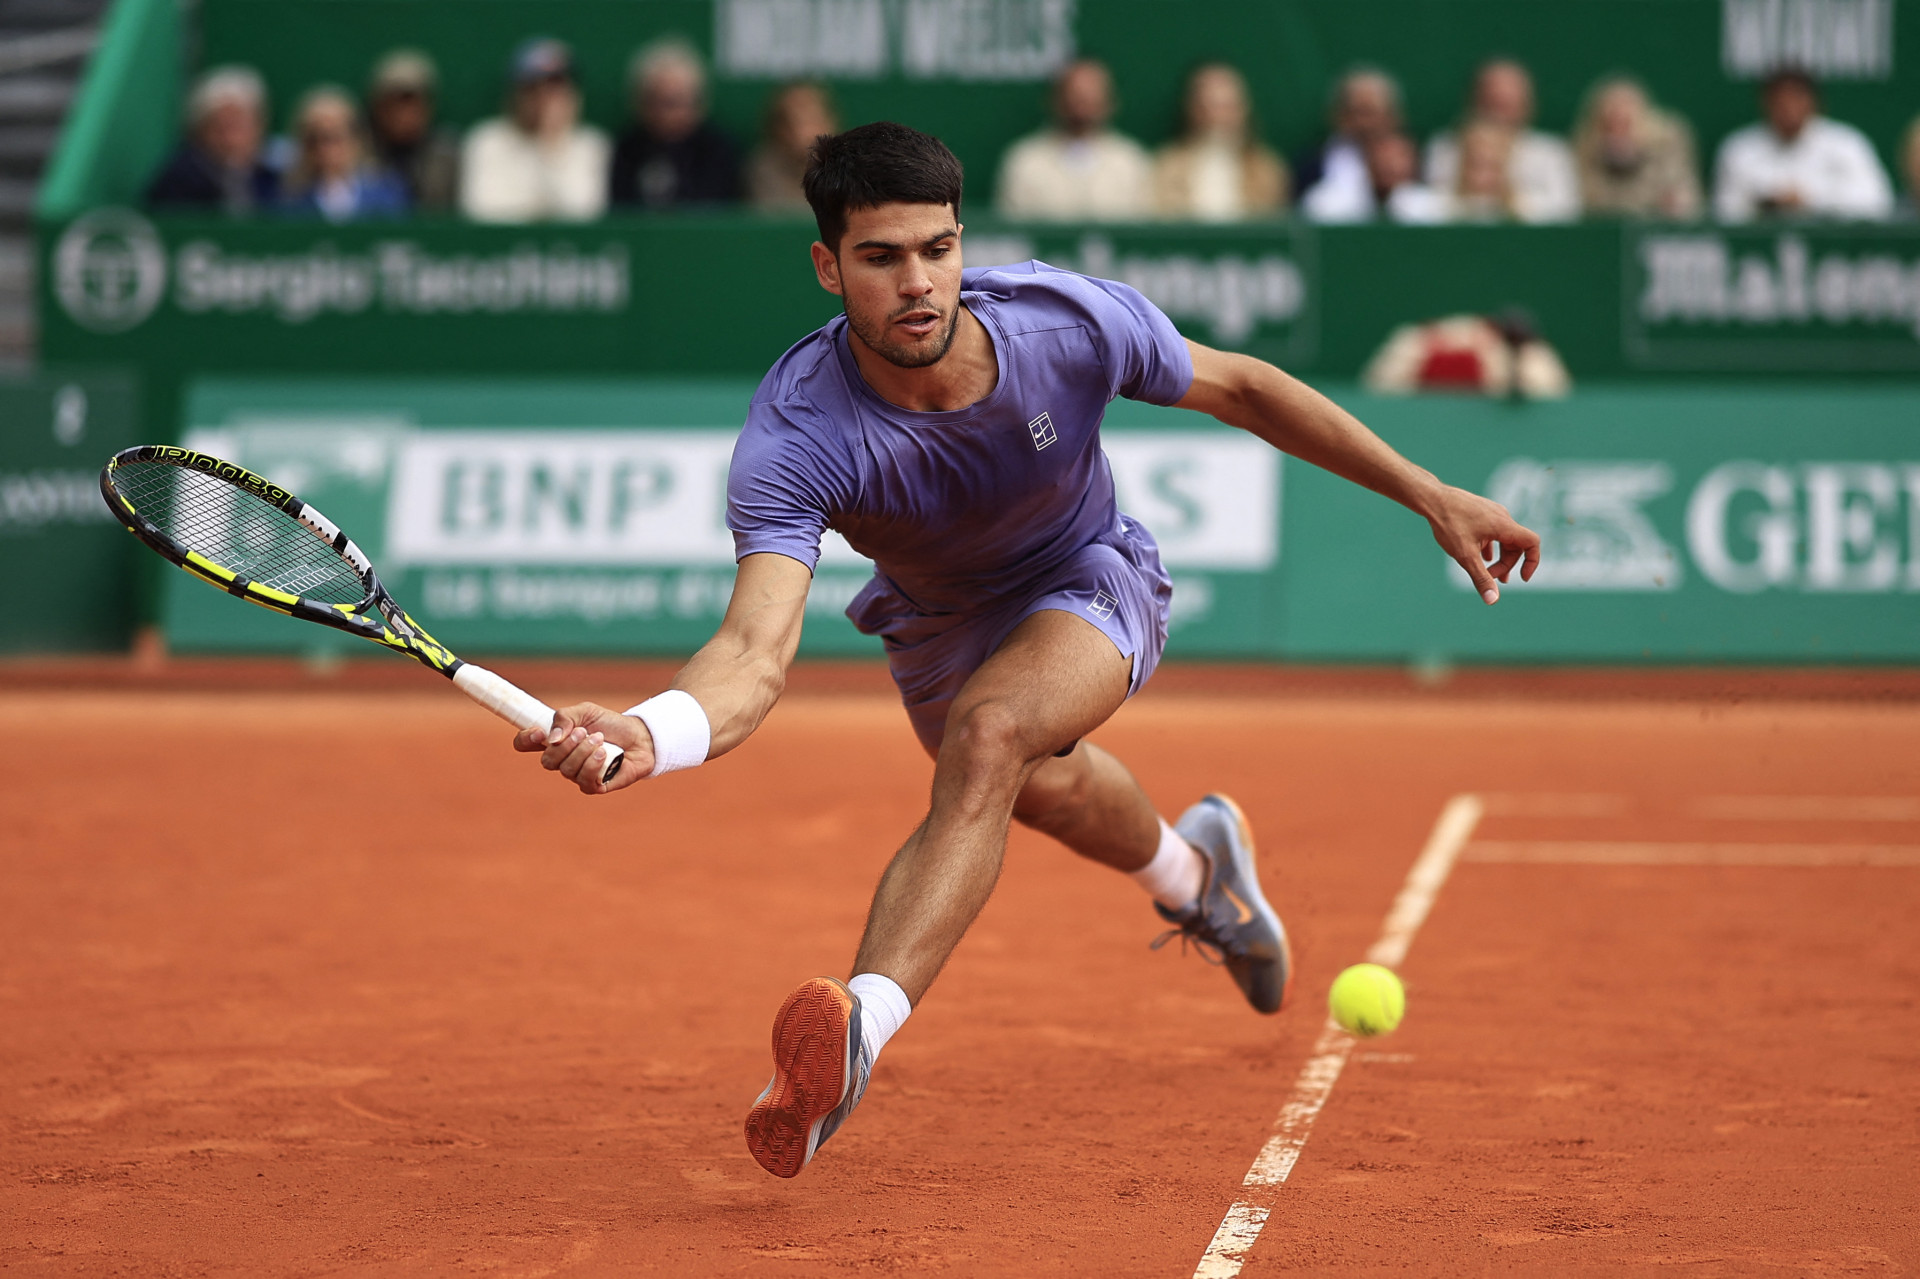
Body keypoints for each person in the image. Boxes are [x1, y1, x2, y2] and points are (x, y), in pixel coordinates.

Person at [509, 122, 1540, 1179]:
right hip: (937, 626)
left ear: (962, 241)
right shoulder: (797, 429)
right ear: (828, 265)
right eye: (880, 257)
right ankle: (1199, 877)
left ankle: (856, 1030)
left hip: (1090, 575)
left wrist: (1428, 492)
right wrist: (652, 729)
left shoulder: (1063, 320)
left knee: (993, 736)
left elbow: (1244, 389)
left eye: (937, 248)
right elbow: (753, 651)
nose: (917, 283)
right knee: (1038, 786)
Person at [1712, 68, 1895, 222]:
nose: (1789, 108)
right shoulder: (1738, 149)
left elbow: (1876, 202)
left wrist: (1810, 201)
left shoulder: (1847, 144)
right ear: (1765, 103)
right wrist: (1770, 205)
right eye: (1780, 101)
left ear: (1815, 101)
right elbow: (1725, 211)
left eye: (1797, 98)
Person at [459, 37, 609, 223]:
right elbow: (481, 214)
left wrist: (550, 146)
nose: (544, 98)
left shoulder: (591, 145)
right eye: (532, 88)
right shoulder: (486, 141)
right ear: (514, 94)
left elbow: (582, 216)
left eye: (555, 87)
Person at [994, 59, 1153, 220]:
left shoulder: (1131, 161)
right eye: (1074, 94)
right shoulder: (1024, 161)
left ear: (1110, 101)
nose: (1081, 103)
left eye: (1090, 94)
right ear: (1055, 99)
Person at [1425, 59, 1580, 223]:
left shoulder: (1551, 151)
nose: (1500, 115)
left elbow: (1566, 208)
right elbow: (1436, 204)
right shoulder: (1444, 147)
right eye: (1493, 103)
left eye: (1508, 104)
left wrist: (1513, 203)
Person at [610, 37, 742, 208]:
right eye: (656, 101)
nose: (666, 114)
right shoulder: (624, 149)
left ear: (699, 103)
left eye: (676, 102)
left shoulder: (719, 151)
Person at [1152, 62, 1288, 221]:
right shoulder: (1166, 167)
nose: (1216, 117)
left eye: (1226, 107)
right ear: (1191, 110)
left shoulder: (1268, 171)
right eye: (1207, 107)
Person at [145, 65, 279, 213]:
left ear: (259, 126)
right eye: (220, 128)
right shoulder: (178, 181)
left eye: (238, 126)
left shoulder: (272, 176)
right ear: (199, 131)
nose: (229, 140)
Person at [1572, 77, 1702, 219]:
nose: (1617, 133)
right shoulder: (1585, 152)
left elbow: (1684, 199)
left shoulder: (1668, 143)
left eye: (1625, 124)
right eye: (1610, 125)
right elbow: (1589, 203)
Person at [278, 86, 409, 221]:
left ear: (355, 139)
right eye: (314, 140)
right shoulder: (289, 199)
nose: (325, 149)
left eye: (334, 138)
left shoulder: (386, 194)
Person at [1292, 67, 1403, 208]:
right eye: (1356, 112)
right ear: (1338, 116)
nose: (1364, 124)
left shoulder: (1414, 168)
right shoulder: (1310, 166)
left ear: (1392, 117)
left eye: (1370, 113)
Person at [365, 49, 460, 212]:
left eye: (412, 103)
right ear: (378, 107)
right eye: (395, 103)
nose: (404, 114)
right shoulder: (358, 152)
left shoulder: (448, 155)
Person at [1302, 129, 1444, 224]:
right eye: (1382, 158)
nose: (1390, 166)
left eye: (1399, 158)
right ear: (1366, 162)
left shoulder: (1434, 208)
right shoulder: (1328, 202)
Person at [747, 81, 839, 212]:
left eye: (812, 119)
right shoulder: (762, 170)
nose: (805, 132)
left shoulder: (848, 167)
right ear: (778, 129)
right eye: (795, 122)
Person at [1445, 121, 1519, 222]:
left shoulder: (1523, 213)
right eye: (1476, 166)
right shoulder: (1441, 210)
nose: (1484, 177)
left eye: (1493, 167)